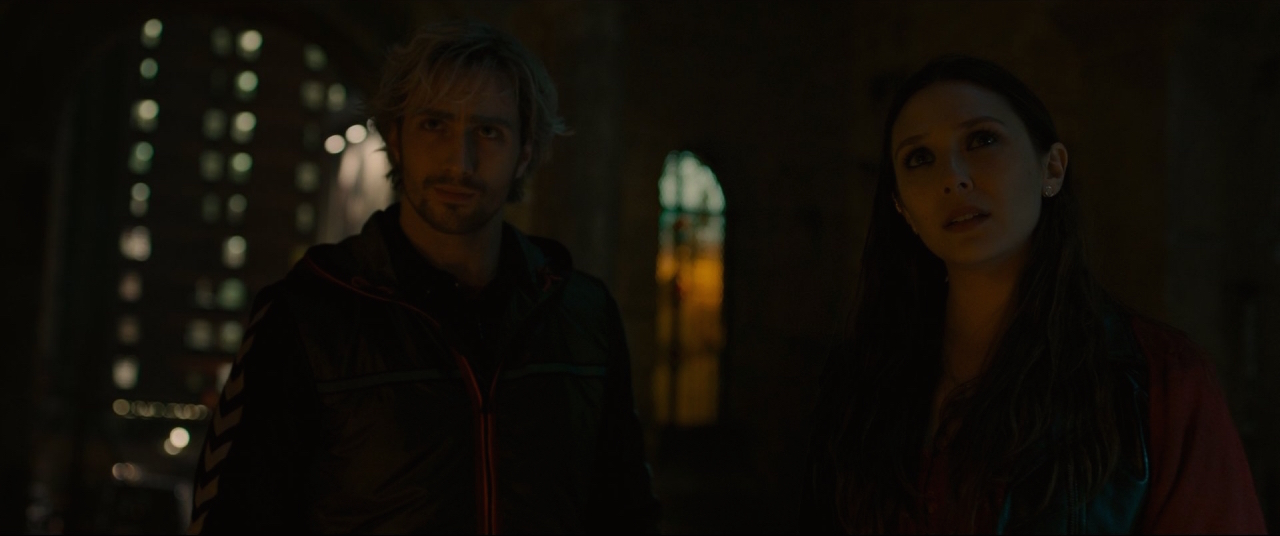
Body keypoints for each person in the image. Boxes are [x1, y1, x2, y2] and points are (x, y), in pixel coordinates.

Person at [188, 20, 660, 534]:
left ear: (525, 152)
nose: (459, 162)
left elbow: (627, 513)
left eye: (489, 132)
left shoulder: (584, 316)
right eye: (434, 125)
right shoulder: (306, 314)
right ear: (395, 139)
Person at [808, 55, 1267, 534]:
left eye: (982, 139)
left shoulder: (1157, 377)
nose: (954, 177)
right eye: (920, 158)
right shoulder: (861, 383)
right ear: (902, 208)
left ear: (1051, 168)